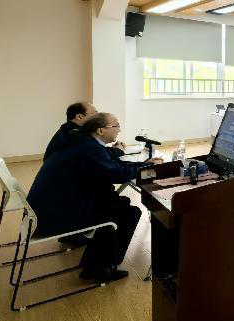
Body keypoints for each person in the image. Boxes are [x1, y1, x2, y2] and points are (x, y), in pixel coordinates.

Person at [27, 113, 162, 283]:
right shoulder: (88, 148)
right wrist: (150, 170)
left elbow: (112, 165)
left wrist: (144, 165)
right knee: (125, 212)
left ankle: (97, 262)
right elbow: (117, 174)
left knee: (120, 204)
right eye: (116, 126)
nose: (119, 130)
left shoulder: (83, 143)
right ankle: (100, 268)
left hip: (47, 208)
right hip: (54, 217)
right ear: (100, 130)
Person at [44, 102, 125, 162]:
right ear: (79, 116)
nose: (98, 117)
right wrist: (118, 150)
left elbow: (96, 151)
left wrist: (113, 149)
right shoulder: (74, 134)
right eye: (95, 114)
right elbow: (96, 154)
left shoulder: (69, 130)